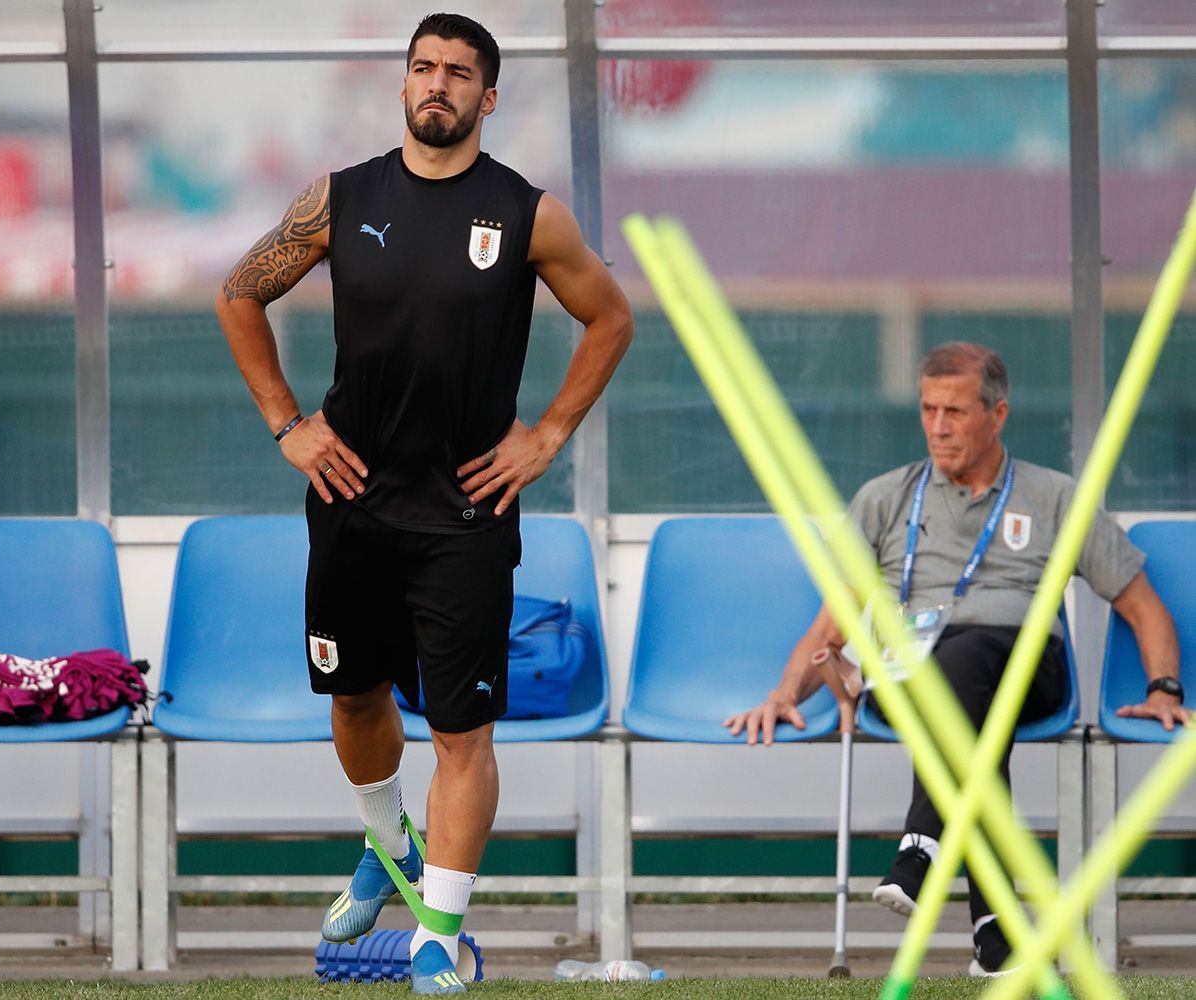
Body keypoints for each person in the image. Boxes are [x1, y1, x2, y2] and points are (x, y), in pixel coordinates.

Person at [213, 12, 633, 995]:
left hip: (465, 514)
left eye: (456, 73)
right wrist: (288, 424)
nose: (435, 84)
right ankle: (383, 836)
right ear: (404, 85)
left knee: (462, 732)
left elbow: (610, 318)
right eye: (422, 68)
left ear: (488, 97)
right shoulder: (339, 198)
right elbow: (239, 294)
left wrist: (547, 436)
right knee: (354, 698)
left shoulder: (530, 215)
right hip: (351, 501)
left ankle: (437, 932)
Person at [724, 341, 1188, 978]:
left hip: (1027, 669)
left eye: (956, 412)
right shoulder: (885, 498)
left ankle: (920, 848)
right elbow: (829, 627)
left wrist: (1164, 686)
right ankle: (996, 933)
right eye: (928, 410)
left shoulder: (1054, 497)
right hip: (908, 674)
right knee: (959, 699)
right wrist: (785, 691)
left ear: (998, 415)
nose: (938, 428)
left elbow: (1143, 606)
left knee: (970, 656)